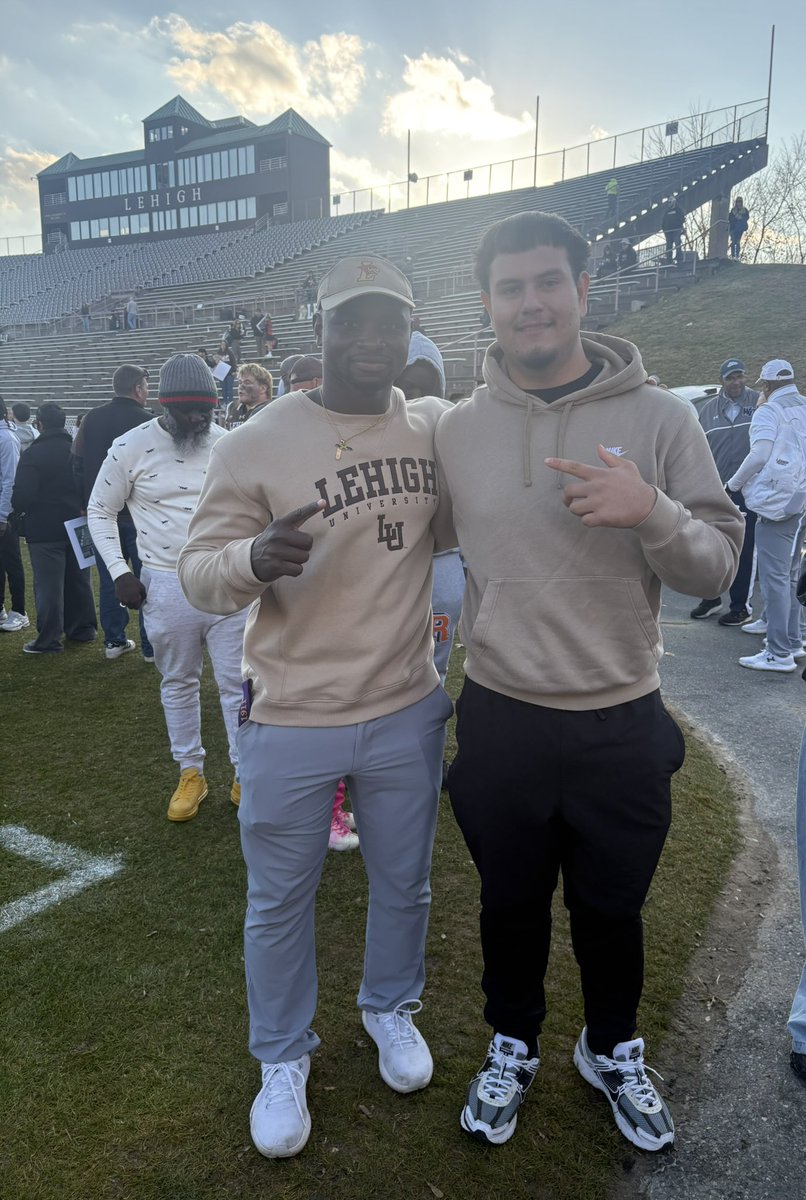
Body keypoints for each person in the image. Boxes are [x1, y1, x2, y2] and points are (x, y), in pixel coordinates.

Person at [434, 210, 743, 1151]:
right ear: (487, 303)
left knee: (612, 908)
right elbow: (415, 540)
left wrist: (650, 512)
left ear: (582, 290)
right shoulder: (455, 428)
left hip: (619, 717)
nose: (531, 303)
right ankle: (512, 1042)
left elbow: (717, 568)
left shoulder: (662, 417)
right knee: (509, 904)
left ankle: (610, 1046)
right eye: (510, 288)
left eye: (547, 283)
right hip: (502, 717)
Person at [177, 254, 454, 1160]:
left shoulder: (434, 429)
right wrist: (250, 563)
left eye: (391, 322)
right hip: (292, 712)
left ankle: (387, 1006)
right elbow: (197, 571)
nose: (373, 340)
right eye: (354, 322)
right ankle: (284, 1054)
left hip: (408, 703)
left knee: (405, 881)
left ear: (410, 331)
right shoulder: (255, 439)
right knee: (279, 899)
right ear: (319, 329)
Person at [88, 354, 249, 819]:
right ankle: (191, 773)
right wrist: (120, 570)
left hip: (226, 580)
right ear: (163, 405)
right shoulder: (130, 446)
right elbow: (100, 510)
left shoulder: (229, 443)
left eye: (206, 409)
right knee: (178, 682)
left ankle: (245, 772)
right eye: (188, 410)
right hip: (163, 581)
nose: (198, 418)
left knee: (239, 684)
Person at [728, 359, 806, 673]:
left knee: (774, 578)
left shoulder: (769, 411)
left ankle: (778, 652)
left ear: (766, 385)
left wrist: (732, 485)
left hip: (779, 505)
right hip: (801, 501)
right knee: (791, 573)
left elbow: (759, 454)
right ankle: (793, 637)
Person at [72, 364, 154, 662]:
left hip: (103, 516)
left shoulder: (91, 419)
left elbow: (77, 463)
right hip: (140, 516)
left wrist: (84, 502)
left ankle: (114, 641)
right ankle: (149, 646)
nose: (148, 391)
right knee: (148, 579)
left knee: (110, 579)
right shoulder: (149, 422)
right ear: (137, 389)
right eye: (146, 385)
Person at [11, 403, 97, 654]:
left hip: (45, 527)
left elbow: (22, 496)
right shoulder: (78, 450)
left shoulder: (33, 454)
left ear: (39, 425)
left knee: (49, 586)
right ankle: (83, 629)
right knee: (80, 580)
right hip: (79, 522)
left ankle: (49, 638)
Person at [690, 359, 760, 624]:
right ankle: (711, 598)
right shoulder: (708, 410)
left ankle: (740, 606)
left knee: (744, 548)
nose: (736, 382)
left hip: (750, 489)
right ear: (722, 380)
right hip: (718, 489)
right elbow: (699, 450)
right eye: (731, 378)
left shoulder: (759, 403)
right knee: (710, 547)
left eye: (740, 376)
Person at [0, 396, 29, 633]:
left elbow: (10, 480)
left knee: (12, 562)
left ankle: (19, 610)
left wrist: (2, 515)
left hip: (5, 513)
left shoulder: (7, 439)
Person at [226, 363, 273, 429]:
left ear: (263, 388)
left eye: (247, 382)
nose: (241, 386)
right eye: (240, 382)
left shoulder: (272, 410)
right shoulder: (232, 408)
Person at [662, 200, 686, 266]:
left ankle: (679, 259)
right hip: (668, 232)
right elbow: (664, 221)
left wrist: (679, 227)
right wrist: (664, 230)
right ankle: (669, 260)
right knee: (669, 246)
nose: (669, 204)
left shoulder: (678, 210)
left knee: (677, 244)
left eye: (670, 202)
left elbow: (682, 219)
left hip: (676, 230)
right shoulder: (667, 211)